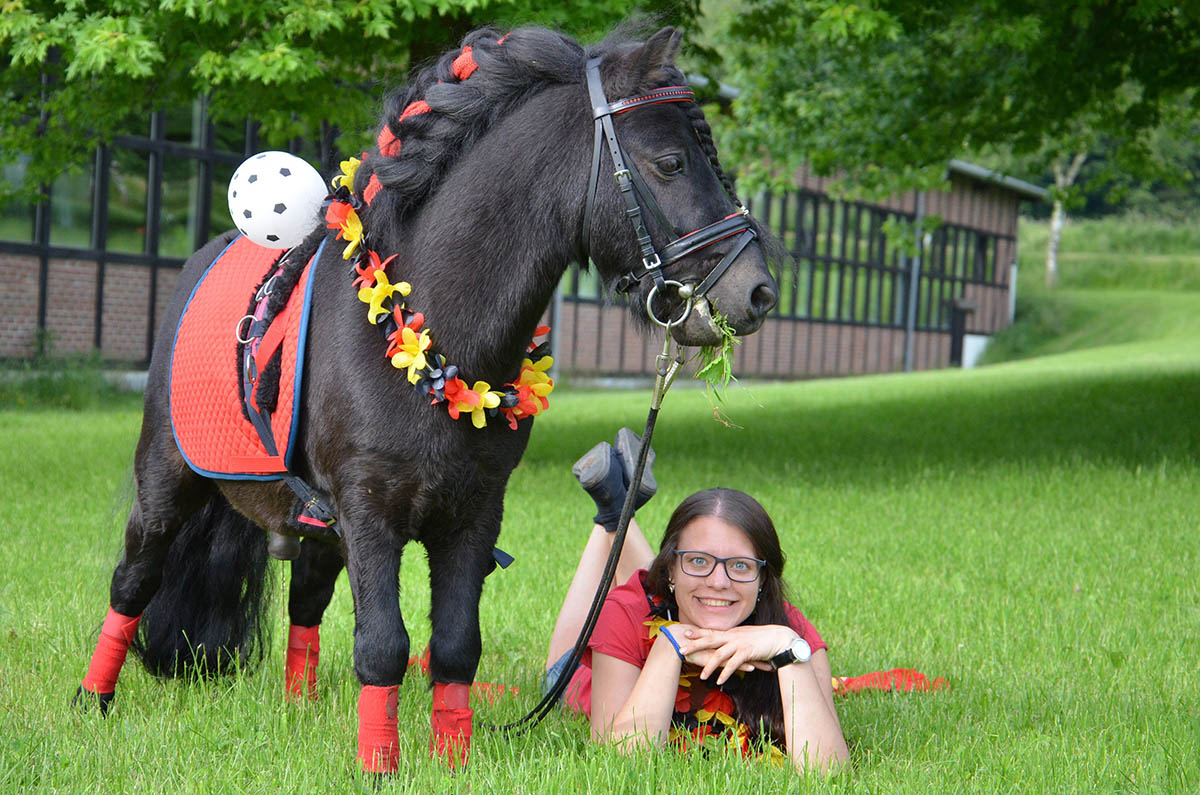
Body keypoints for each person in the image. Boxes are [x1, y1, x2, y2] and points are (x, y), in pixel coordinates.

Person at [544, 429, 850, 774]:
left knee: (698, 592)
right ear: (669, 566)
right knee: (558, 668)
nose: (720, 582)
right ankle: (613, 514)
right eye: (699, 561)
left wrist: (785, 650)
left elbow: (830, 772)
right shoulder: (625, 613)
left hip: (676, 595)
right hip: (577, 673)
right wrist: (668, 646)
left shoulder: (790, 632)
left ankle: (618, 506)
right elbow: (618, 763)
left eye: (740, 565)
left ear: (764, 577)